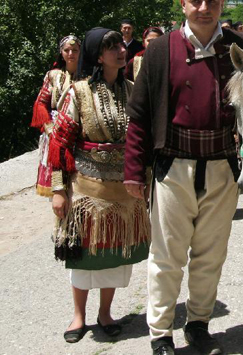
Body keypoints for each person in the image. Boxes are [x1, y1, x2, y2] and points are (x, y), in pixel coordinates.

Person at [124, 0, 243, 355]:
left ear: (222, 4)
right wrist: (134, 172)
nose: (203, 8)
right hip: (173, 168)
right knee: (167, 257)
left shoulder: (240, 48)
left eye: (212, 1)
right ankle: (161, 333)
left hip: (221, 168)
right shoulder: (160, 51)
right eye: (196, 0)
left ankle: (198, 325)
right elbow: (140, 117)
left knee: (211, 255)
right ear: (182, 4)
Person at [48, 27, 150, 344]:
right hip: (86, 192)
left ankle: (105, 314)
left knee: (113, 258)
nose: (120, 50)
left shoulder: (133, 90)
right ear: (97, 55)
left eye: (121, 45)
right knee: (84, 257)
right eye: (111, 46)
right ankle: (78, 316)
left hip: (125, 190)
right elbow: (59, 143)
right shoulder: (77, 93)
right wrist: (57, 189)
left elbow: (143, 139)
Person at [31, 35, 81, 197]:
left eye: (75, 50)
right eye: (67, 50)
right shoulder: (53, 75)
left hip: (78, 131)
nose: (71, 53)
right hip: (55, 131)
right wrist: (50, 129)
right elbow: (40, 104)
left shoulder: (88, 76)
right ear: (61, 53)